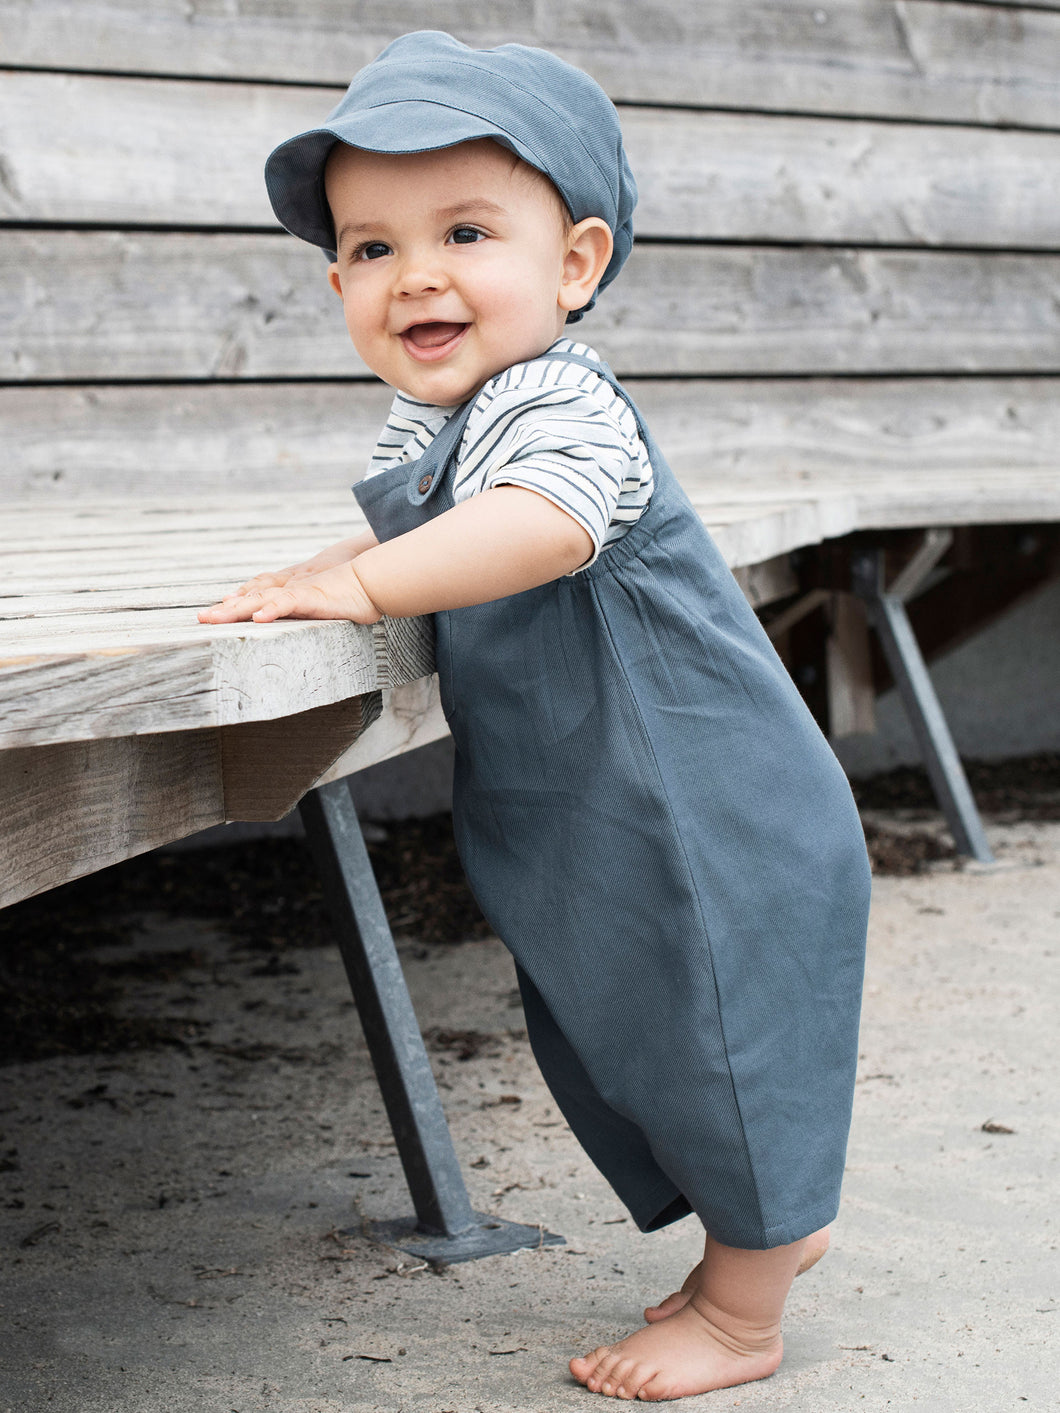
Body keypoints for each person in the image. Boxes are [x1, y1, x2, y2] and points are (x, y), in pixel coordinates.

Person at [200, 31, 871, 1401]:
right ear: (336, 281)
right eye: (371, 249)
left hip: (704, 809)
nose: (415, 274)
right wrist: (345, 574)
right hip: (604, 809)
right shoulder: (447, 414)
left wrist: (367, 576)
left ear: (573, 263)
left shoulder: (557, 402)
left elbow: (543, 526)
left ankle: (746, 1309)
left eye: (462, 230)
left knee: (716, 1036)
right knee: (641, 1037)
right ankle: (760, 1236)